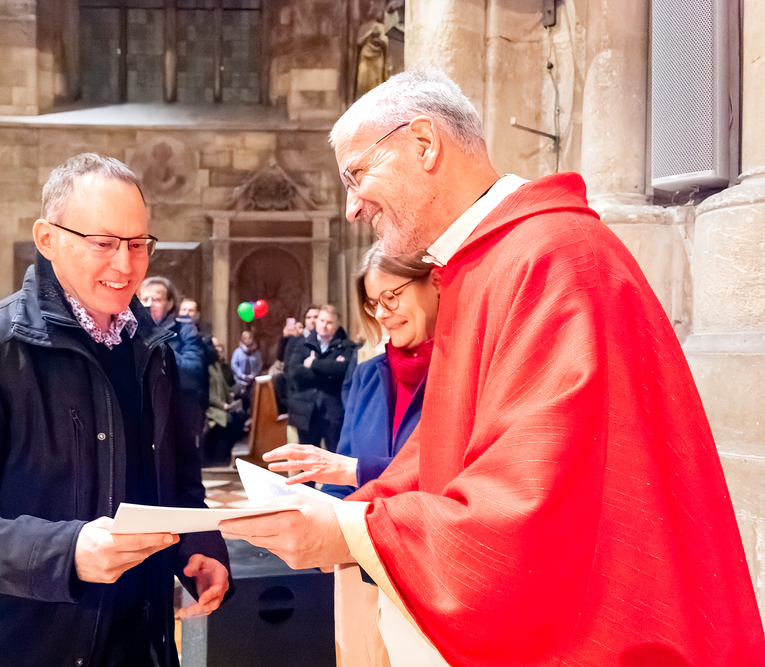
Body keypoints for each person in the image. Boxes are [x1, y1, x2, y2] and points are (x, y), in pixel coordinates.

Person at [221, 69, 765, 666]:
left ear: (424, 143)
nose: (351, 208)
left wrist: (352, 530)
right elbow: (446, 447)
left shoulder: (555, 259)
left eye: (357, 175)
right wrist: (348, 511)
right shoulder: (482, 265)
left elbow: (533, 493)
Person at [0, 154, 230, 667]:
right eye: (103, 243)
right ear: (47, 239)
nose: (126, 265)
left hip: (140, 642)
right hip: (25, 644)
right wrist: (65, 553)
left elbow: (174, 483)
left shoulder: (153, 350)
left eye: (138, 244)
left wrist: (197, 545)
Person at [264, 242, 437, 499]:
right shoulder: (367, 375)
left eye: (390, 297)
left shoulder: (462, 371)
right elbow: (340, 479)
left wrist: (355, 470)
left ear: (435, 282)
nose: (380, 314)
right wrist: (315, 512)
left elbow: (452, 475)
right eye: (373, 304)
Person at [139, 278, 209, 453]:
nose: (149, 304)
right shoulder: (131, 330)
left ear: (169, 304)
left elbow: (193, 372)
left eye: (156, 299)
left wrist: (157, 348)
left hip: (177, 416)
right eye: (144, 299)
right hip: (142, 418)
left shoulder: (184, 328)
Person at [285, 305, 355, 451]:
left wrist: (313, 364)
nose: (324, 325)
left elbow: (342, 370)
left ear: (337, 324)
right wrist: (327, 372)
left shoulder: (346, 346)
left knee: (335, 452)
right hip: (305, 409)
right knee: (307, 455)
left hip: (332, 409)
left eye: (329, 322)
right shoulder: (302, 343)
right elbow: (294, 372)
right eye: (321, 320)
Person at [204, 338, 245, 467]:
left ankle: (230, 454)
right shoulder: (207, 366)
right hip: (211, 408)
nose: (218, 351)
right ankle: (215, 456)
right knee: (227, 421)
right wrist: (222, 405)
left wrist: (233, 394)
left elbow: (225, 387)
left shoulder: (219, 366)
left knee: (239, 417)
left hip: (222, 406)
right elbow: (208, 393)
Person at [230, 329, 262, 408]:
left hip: (253, 381)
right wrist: (240, 374)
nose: (247, 340)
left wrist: (255, 374)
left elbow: (260, 364)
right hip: (240, 382)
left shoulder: (256, 353)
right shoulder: (238, 352)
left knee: (253, 403)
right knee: (242, 403)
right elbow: (234, 364)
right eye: (245, 338)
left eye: (249, 338)